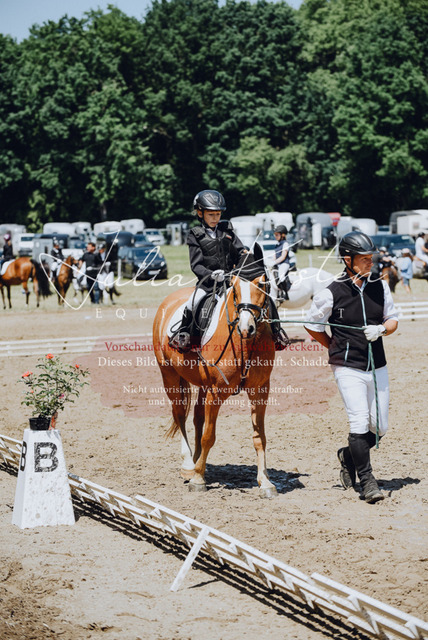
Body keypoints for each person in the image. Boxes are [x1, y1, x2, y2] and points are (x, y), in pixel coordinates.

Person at [304, 231, 398, 504]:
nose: (371, 262)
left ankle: (348, 455)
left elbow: (393, 319)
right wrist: (335, 346)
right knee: (358, 421)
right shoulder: (330, 292)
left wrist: (382, 329)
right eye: (365, 258)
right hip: (347, 366)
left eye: (371, 257)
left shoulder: (380, 287)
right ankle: (368, 482)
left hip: (377, 364)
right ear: (348, 260)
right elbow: (312, 324)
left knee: (380, 428)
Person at [169, 189, 289, 353]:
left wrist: (250, 258)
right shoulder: (195, 235)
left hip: (232, 281)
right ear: (200, 213)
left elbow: (240, 251)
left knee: (265, 296)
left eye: (218, 214)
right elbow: (196, 265)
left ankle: (277, 332)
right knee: (192, 303)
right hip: (209, 284)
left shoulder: (227, 230)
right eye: (211, 214)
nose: (215, 218)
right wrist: (211, 275)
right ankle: (186, 335)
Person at [272, 225, 291, 300]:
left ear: (282, 235)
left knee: (281, 276)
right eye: (275, 235)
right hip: (278, 264)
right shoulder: (277, 244)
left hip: (284, 264)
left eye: (277, 235)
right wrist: (271, 262)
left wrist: (274, 262)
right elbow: (274, 256)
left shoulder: (285, 244)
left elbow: (283, 257)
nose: (275, 236)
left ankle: (285, 293)